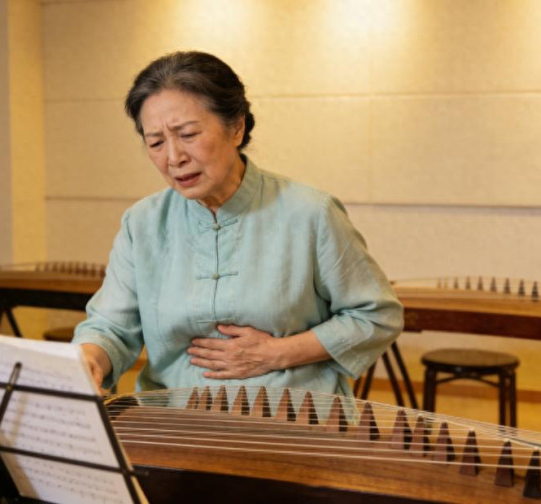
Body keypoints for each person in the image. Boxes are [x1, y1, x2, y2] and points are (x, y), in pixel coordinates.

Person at [73, 51, 403, 397]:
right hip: (173, 416)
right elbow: (110, 326)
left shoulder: (310, 213)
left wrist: (278, 353)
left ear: (236, 128)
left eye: (188, 134)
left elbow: (376, 316)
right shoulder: (142, 223)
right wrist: (90, 357)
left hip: (290, 415)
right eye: (155, 142)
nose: (173, 157)